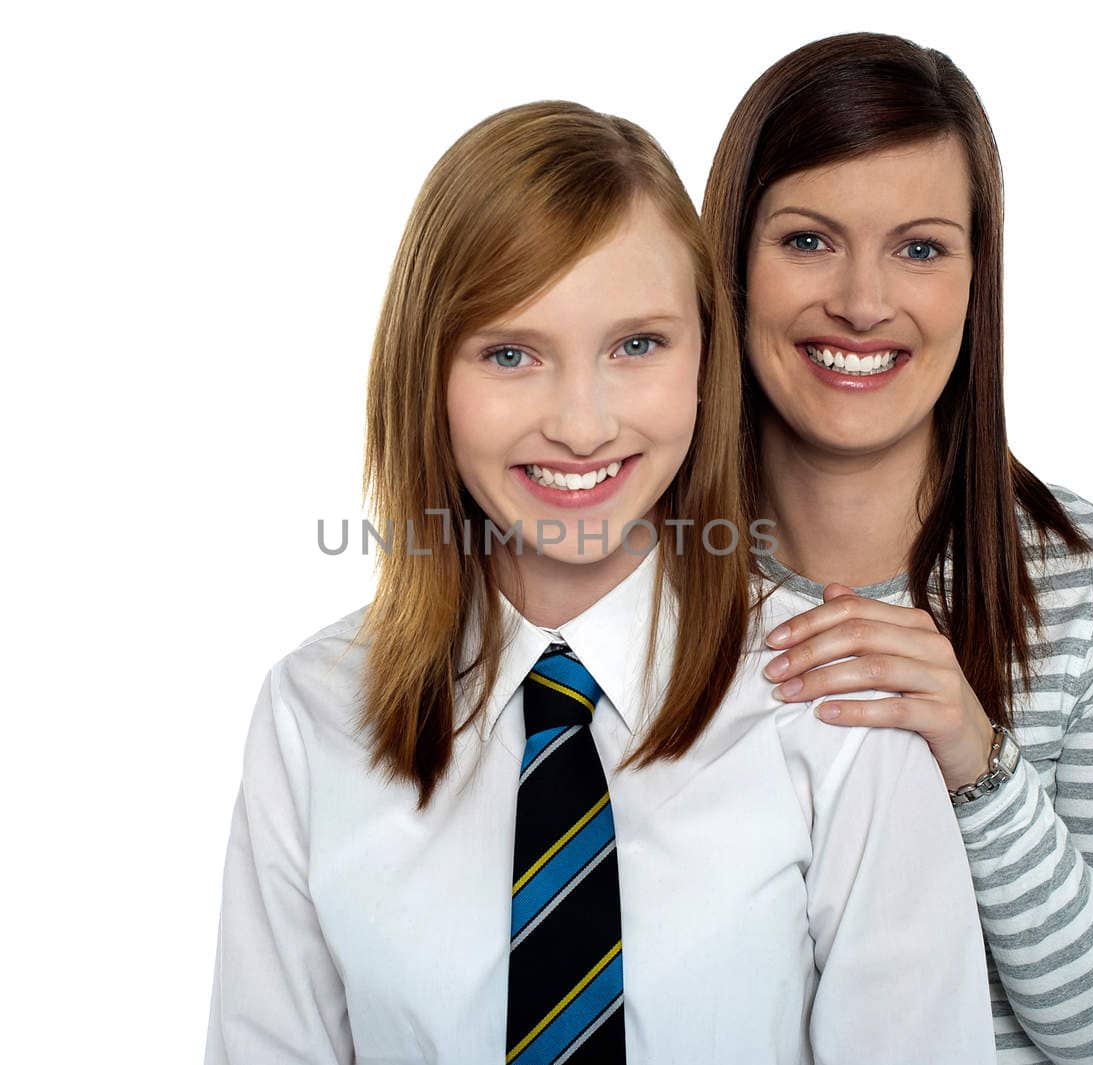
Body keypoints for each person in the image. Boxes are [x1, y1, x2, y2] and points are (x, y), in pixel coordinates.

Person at [204, 100, 995, 1063]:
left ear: (709, 356)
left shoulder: (833, 710)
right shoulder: (313, 714)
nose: (581, 425)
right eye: (510, 353)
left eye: (636, 346)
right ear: (426, 375)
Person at [702, 33, 1093, 1065]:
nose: (860, 299)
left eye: (920, 248)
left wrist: (978, 767)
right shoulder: (624, 583)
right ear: (732, 265)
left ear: (978, 281)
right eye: (806, 240)